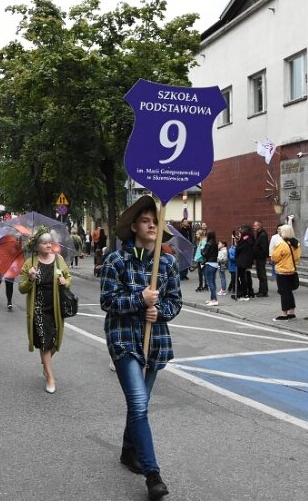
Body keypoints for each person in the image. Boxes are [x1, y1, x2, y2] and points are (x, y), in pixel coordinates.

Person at [100, 195, 181, 501]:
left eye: (156, 222)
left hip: (155, 341)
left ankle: (127, 451)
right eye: (146, 221)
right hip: (123, 338)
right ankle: (152, 474)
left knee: (139, 405)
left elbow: (175, 302)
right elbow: (108, 301)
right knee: (138, 402)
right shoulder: (116, 261)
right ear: (134, 226)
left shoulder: (168, 262)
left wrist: (159, 311)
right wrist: (139, 300)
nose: (152, 225)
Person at [18, 227, 72, 394]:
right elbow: (21, 288)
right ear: (37, 246)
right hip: (38, 308)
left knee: (54, 342)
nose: (49, 245)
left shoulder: (58, 260)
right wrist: (31, 279)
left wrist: (65, 282)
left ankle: (45, 362)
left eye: (50, 242)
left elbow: (69, 277)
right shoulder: (30, 263)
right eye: (45, 243)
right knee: (44, 341)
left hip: (55, 308)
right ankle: (50, 376)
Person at [271, 224, 301, 321]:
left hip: (282, 271)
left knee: (283, 293)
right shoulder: (295, 244)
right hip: (291, 270)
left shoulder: (282, 244)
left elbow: (274, 257)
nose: (279, 232)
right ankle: (291, 313)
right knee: (289, 292)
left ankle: (284, 314)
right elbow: (297, 257)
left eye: (281, 231)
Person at [233, 225, 255, 300]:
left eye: (241, 230)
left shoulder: (244, 239)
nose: (239, 232)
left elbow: (239, 248)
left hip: (242, 260)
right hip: (247, 260)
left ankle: (242, 292)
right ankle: (248, 292)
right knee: (245, 276)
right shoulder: (250, 238)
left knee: (240, 276)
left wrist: (237, 243)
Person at [201, 231, 219, 306]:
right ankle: (212, 298)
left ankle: (214, 300)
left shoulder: (208, 244)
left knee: (210, 283)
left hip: (209, 264)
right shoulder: (215, 243)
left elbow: (205, 254)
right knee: (213, 282)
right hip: (215, 264)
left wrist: (202, 249)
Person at [252, 221, 269, 297]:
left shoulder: (262, 235)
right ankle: (261, 290)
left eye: (255, 226)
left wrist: (260, 255)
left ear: (259, 226)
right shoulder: (259, 234)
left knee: (262, 274)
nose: (254, 227)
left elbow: (264, 247)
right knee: (259, 274)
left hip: (261, 258)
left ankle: (264, 291)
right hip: (259, 258)